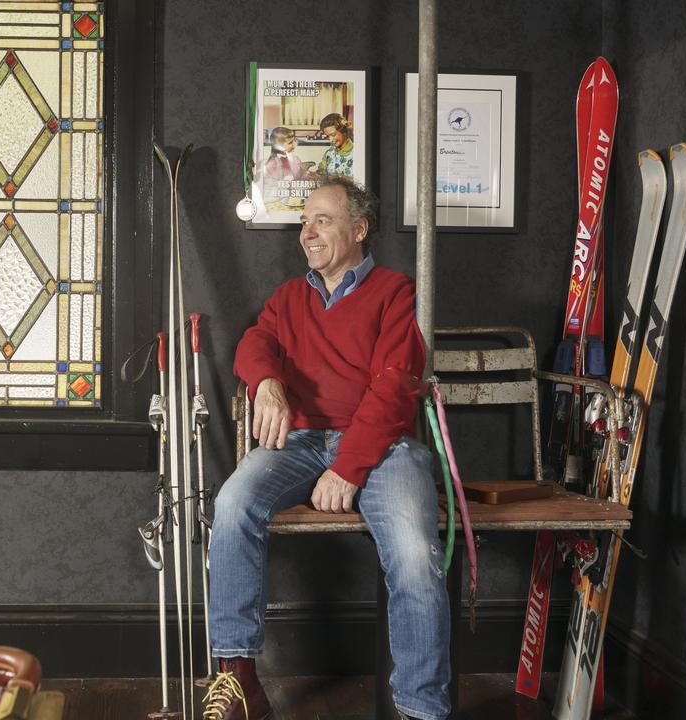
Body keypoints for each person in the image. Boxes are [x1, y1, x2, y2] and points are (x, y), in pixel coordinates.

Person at [201, 178, 451, 720]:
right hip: (301, 442)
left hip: (383, 448)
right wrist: (266, 381)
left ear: (359, 229)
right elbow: (254, 343)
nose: (307, 233)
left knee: (414, 554)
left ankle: (422, 708)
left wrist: (348, 467)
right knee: (232, 505)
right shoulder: (290, 297)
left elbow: (393, 386)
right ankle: (240, 680)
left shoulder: (396, 292)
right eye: (304, 221)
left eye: (322, 220)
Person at [311, 113, 355, 179]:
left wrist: (339, 177)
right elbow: (320, 173)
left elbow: (361, 180)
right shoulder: (329, 153)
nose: (330, 140)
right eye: (328, 136)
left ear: (343, 131)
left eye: (333, 135)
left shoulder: (357, 152)